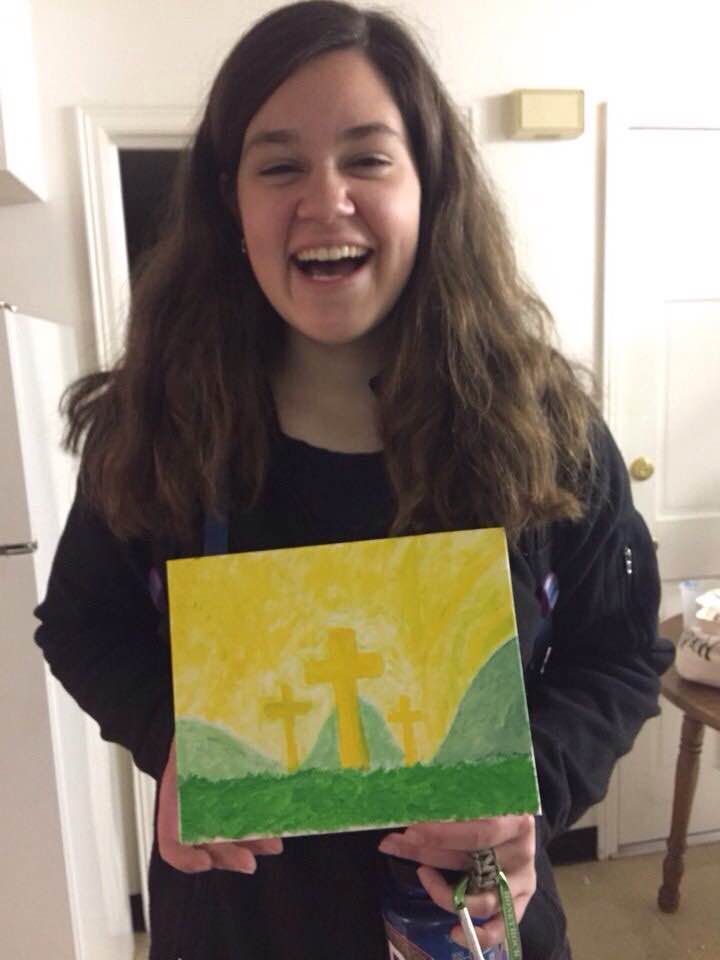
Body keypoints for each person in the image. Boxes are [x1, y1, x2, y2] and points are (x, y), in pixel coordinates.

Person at [34, 2, 673, 958]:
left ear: (429, 186)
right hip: (239, 925)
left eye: (367, 158)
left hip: (469, 921)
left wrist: (532, 786)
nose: (325, 199)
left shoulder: (543, 425)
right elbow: (82, 623)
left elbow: (617, 653)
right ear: (230, 202)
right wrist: (176, 742)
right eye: (278, 165)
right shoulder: (159, 426)